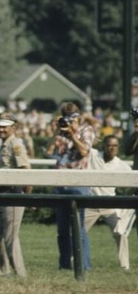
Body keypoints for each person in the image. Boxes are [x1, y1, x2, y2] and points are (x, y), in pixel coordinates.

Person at [46, 102, 93, 271]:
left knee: (79, 230)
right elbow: (50, 151)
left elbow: (84, 151)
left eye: (71, 118)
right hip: (61, 183)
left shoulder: (86, 130)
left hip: (78, 184)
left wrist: (73, 135)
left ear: (77, 117)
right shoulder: (61, 132)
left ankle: (84, 266)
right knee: (62, 230)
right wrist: (57, 132)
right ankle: (64, 265)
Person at [85, 135, 133, 270]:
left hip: (110, 205)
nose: (112, 148)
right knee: (78, 232)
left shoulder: (121, 165)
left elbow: (132, 183)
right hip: (91, 204)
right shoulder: (94, 155)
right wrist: (90, 141)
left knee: (121, 233)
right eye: (109, 145)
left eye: (115, 146)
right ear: (104, 146)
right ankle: (73, 262)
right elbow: (83, 149)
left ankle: (125, 266)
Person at [0, 112, 32, 277]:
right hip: (3, 193)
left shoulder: (15, 145)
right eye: (0, 126)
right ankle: (3, 269)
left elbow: (26, 171)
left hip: (14, 193)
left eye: (5, 126)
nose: (1, 129)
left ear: (13, 128)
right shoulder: (4, 145)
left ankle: (20, 273)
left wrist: (26, 197)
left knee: (10, 236)